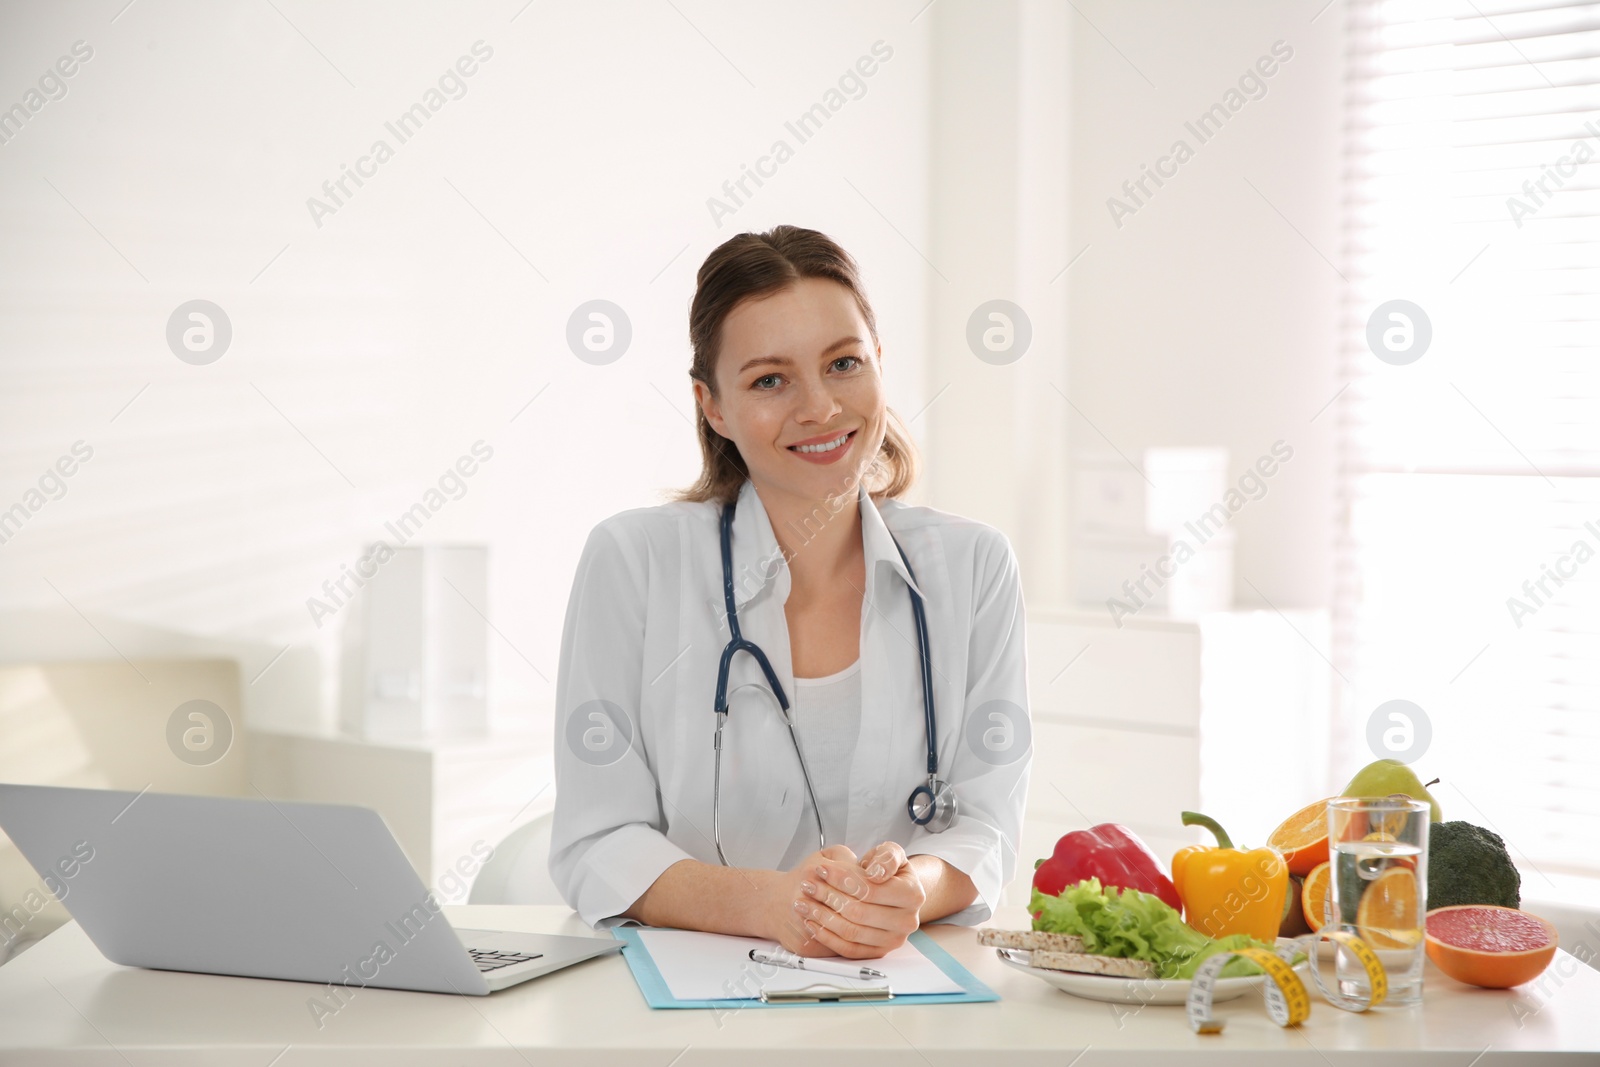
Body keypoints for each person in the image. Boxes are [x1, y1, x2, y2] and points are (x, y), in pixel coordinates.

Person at [549, 224, 1030, 960]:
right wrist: (776, 905)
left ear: (878, 364)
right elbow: (597, 838)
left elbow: (983, 825)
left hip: (903, 995)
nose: (820, 408)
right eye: (770, 379)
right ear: (713, 406)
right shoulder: (634, 560)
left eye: (843, 363)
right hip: (685, 1007)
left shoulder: (974, 566)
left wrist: (908, 893)